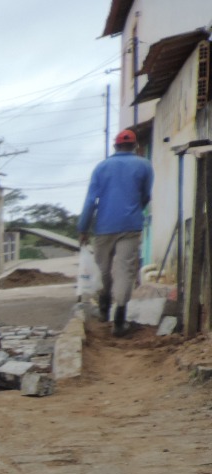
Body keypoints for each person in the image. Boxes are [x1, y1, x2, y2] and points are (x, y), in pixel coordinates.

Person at [78, 128, 153, 337]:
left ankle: (103, 311)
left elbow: (91, 200)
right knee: (124, 271)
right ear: (135, 146)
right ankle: (119, 321)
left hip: (104, 227)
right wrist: (135, 210)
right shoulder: (144, 165)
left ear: (115, 146)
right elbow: (145, 196)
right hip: (130, 226)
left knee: (102, 270)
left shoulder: (102, 167)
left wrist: (83, 228)